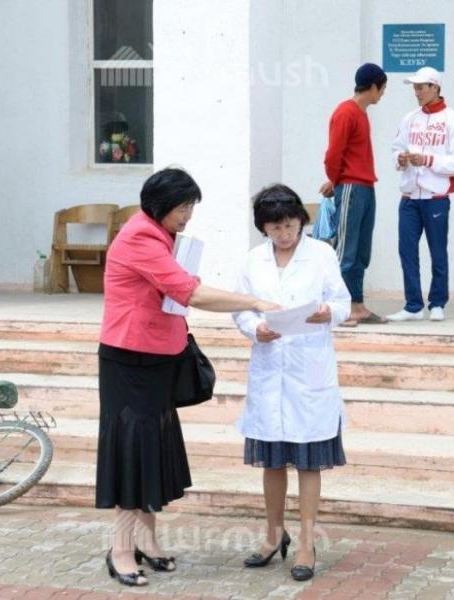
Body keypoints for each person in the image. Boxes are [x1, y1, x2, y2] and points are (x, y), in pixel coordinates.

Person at [97, 168, 280, 587]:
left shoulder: (160, 235)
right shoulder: (140, 238)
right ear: (160, 205)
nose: (188, 216)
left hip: (157, 358)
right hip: (129, 361)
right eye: (182, 208)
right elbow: (190, 292)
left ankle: (147, 541)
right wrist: (254, 301)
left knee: (150, 451)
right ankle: (120, 550)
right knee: (131, 453)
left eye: (191, 207)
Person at [233, 184, 350, 582]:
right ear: (263, 228)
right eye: (275, 228)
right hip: (270, 369)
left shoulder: (321, 254)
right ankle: (272, 535)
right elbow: (242, 309)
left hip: (308, 371)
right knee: (272, 461)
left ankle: (306, 543)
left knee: (308, 461)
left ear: (301, 220)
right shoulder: (253, 260)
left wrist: (327, 312)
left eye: (289, 225)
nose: (284, 234)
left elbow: (342, 302)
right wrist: (256, 329)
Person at [387, 66, 454, 322]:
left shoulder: (452, 119)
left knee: (438, 252)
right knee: (407, 252)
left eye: (421, 87)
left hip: (436, 199)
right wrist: (400, 159)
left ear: (435, 87)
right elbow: (395, 149)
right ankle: (413, 306)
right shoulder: (409, 118)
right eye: (415, 87)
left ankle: (437, 303)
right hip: (409, 198)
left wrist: (428, 160)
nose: (417, 92)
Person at [319, 63, 388, 326]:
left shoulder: (361, 113)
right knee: (346, 251)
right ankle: (338, 308)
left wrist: (334, 180)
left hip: (365, 186)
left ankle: (356, 305)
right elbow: (333, 155)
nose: (382, 94)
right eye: (382, 89)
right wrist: (336, 181)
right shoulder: (346, 112)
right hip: (351, 187)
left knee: (361, 251)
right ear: (373, 87)